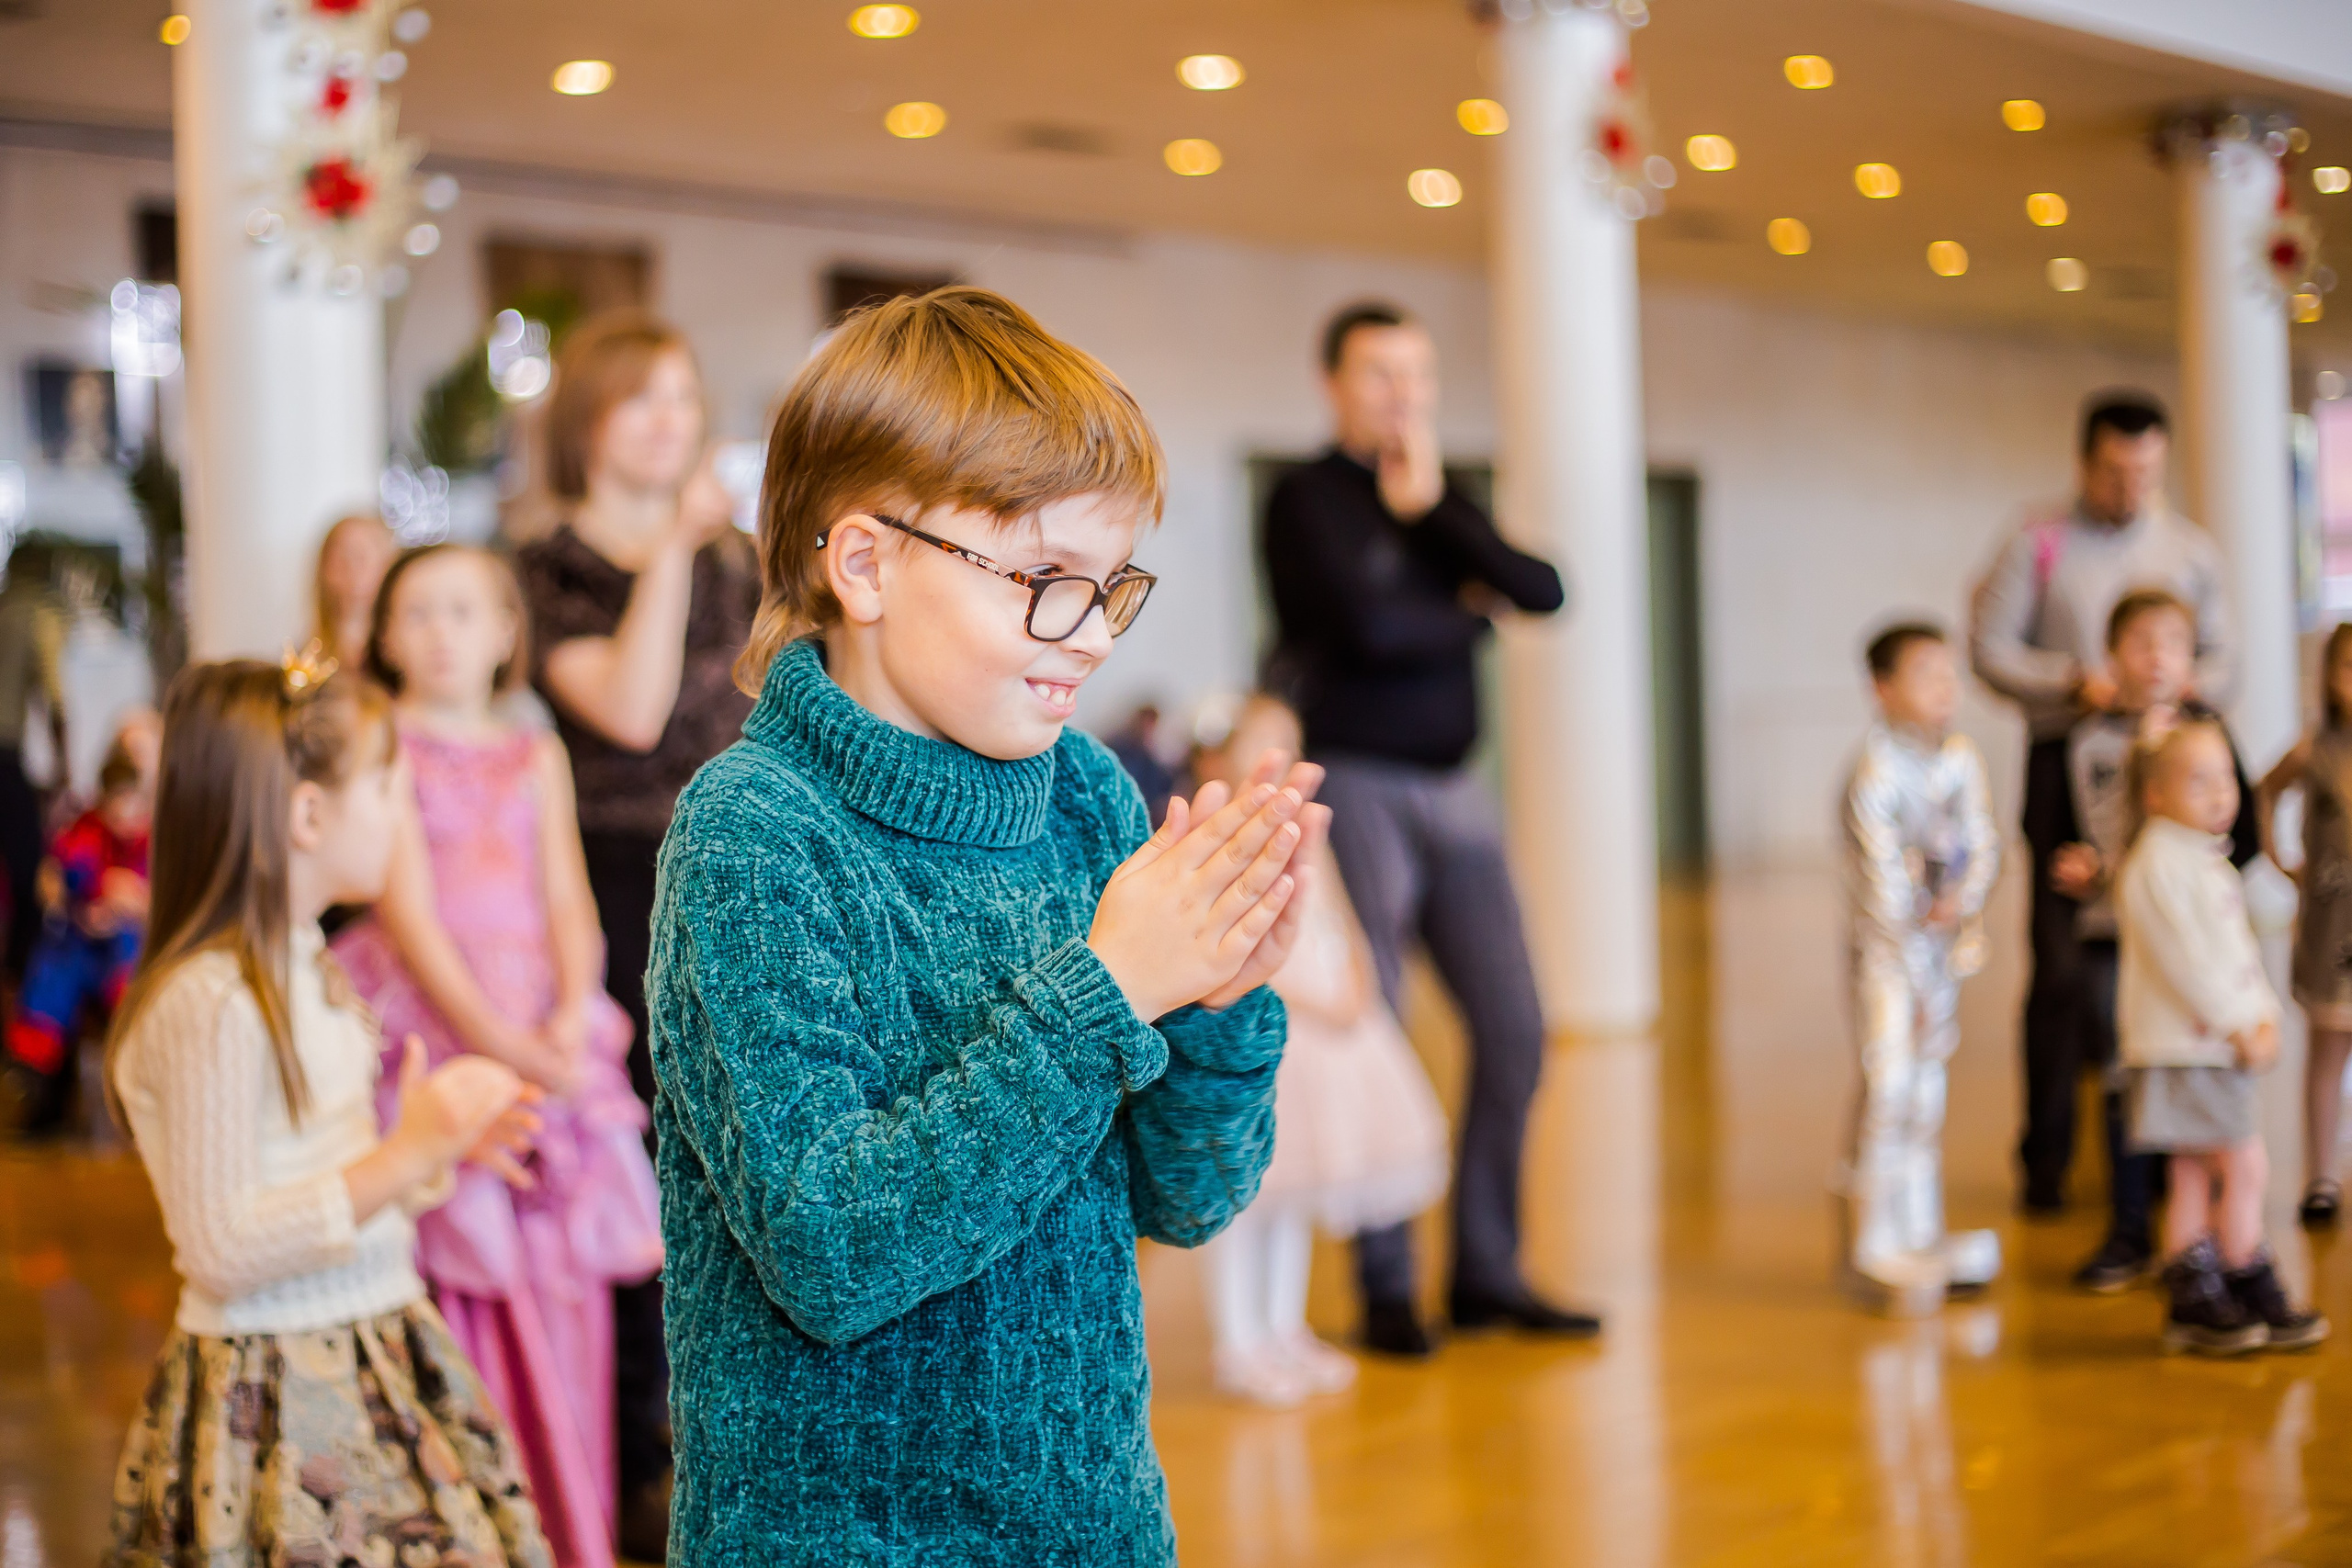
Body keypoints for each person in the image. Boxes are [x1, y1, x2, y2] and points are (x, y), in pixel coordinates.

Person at [649, 287, 1323, 1562]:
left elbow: (1187, 1194)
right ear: (862, 563)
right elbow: (831, 1247)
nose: (1088, 639)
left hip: (1095, 1522)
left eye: (1108, 585)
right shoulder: (755, 832)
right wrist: (1110, 989)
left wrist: (1226, 996)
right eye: (1042, 581)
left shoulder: (1089, 798)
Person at [100, 658, 552, 1562]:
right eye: (388, 788)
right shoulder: (213, 999)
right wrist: (404, 1152)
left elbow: (311, 1175)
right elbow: (222, 1246)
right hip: (275, 1386)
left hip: (370, 1335)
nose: (406, 812)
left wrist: (433, 1154)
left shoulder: (308, 968)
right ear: (307, 816)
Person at [1260, 299, 1584, 1357]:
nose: (1401, 396)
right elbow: (1368, 626)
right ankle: (1387, 1285)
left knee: (1515, 1025)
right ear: (1332, 384)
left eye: (1417, 377)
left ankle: (1488, 1269)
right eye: (1379, 375)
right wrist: (1465, 608)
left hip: (1458, 790)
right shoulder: (1304, 501)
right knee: (1380, 1025)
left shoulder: (1442, 500)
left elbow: (1541, 588)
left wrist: (1440, 511)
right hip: (1358, 782)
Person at [331, 546, 663, 1568]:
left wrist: (572, 1011)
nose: (441, 631)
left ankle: (569, 1524)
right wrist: (499, 1041)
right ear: (384, 636)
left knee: (560, 1280)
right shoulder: (383, 740)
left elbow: (567, 895)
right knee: (461, 1272)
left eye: (465, 610)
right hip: (444, 1026)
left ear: (506, 631)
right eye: (418, 612)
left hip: (543, 1032)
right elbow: (411, 915)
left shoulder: (536, 752)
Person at [514, 310, 754, 1551]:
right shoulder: (548, 565)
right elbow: (629, 703)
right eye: (644, 397)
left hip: (732, 865)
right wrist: (673, 548)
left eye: (685, 395)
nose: (673, 418)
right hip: (610, 875)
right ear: (591, 418)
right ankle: (634, 1448)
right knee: (639, 1157)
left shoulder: (739, 556)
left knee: (731, 1141)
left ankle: (727, 1428)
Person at [1971, 392, 2235, 1214]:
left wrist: (2186, 684)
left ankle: (2155, 1155)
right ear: (2087, 462)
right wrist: (2072, 682)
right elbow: (1989, 647)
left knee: (2160, 953)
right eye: (2116, 472)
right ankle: (2047, 1156)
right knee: (2060, 972)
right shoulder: (2037, 539)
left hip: (2165, 761)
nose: (2130, 488)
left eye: (2146, 472)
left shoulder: (2188, 549)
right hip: (2067, 760)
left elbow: (2228, 661)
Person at [1189, 693, 1450, 1405]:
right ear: (1225, 754)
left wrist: (1358, 972)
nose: (1283, 754)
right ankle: (1239, 1340)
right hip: (1271, 1020)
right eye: (1266, 741)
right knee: (1246, 1193)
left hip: (1332, 1015)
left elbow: (1334, 906)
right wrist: (1299, 998)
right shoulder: (1218, 832)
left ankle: (1282, 1326)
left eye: (1291, 739)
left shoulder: (1308, 829)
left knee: (1298, 1188)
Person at [2052, 589, 2260, 1292]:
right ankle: (2130, 1224)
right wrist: (2083, 864)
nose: (2157, 656)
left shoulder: (2205, 735)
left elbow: (2244, 830)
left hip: (2191, 934)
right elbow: (2069, 830)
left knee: (2199, 1091)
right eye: (2141, 642)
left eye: (2172, 642)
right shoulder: (2087, 739)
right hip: (2117, 933)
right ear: (2112, 657)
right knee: (2126, 1079)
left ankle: (2198, 1242)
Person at [2116, 718, 2327, 1356]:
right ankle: (2242, 1267)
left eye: (2225, 779)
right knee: (2244, 1162)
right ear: (2154, 794)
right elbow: (2190, 962)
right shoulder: (2158, 863)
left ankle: (2196, 1290)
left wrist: (2262, 1010)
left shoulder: (2198, 857)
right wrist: (2241, 1024)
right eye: (2197, 780)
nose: (2219, 793)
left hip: (2208, 1044)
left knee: (2190, 1170)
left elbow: (2236, 953)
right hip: (2191, 1045)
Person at [1837, 623, 2003, 1313]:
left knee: (1929, 1093)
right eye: (1924, 673)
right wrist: (1913, 974)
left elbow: (1983, 842)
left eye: (1949, 672)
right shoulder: (1872, 773)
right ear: (1882, 688)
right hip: (1889, 959)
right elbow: (1881, 893)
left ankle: (1920, 1230)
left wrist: (1963, 901)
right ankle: (1871, 1240)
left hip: (1941, 950)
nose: (1944, 687)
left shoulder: (1960, 758)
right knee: (1891, 1085)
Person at [1, 719, 156, 1134]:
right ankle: (33, 1067)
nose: (124, 816)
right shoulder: (88, 828)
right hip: (83, 938)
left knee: (127, 964)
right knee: (54, 965)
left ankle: (127, 1060)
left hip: (129, 947)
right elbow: (66, 875)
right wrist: (69, 893)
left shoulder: (157, 838)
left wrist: (134, 902)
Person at [2255, 619, 2352, 1229]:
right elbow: (2265, 790)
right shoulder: (2314, 748)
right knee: (2327, 1046)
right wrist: (2278, 856)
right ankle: (2320, 1174)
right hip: (2332, 927)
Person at [0, 540, 68, 983]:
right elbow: (54, 698)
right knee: (31, 882)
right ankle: (19, 996)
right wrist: (64, 768)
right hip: (3, 757)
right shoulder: (33, 614)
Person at [313, 513, 400, 669]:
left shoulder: (403, 653)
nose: (352, 567)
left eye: (362, 555)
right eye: (342, 555)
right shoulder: (308, 657)